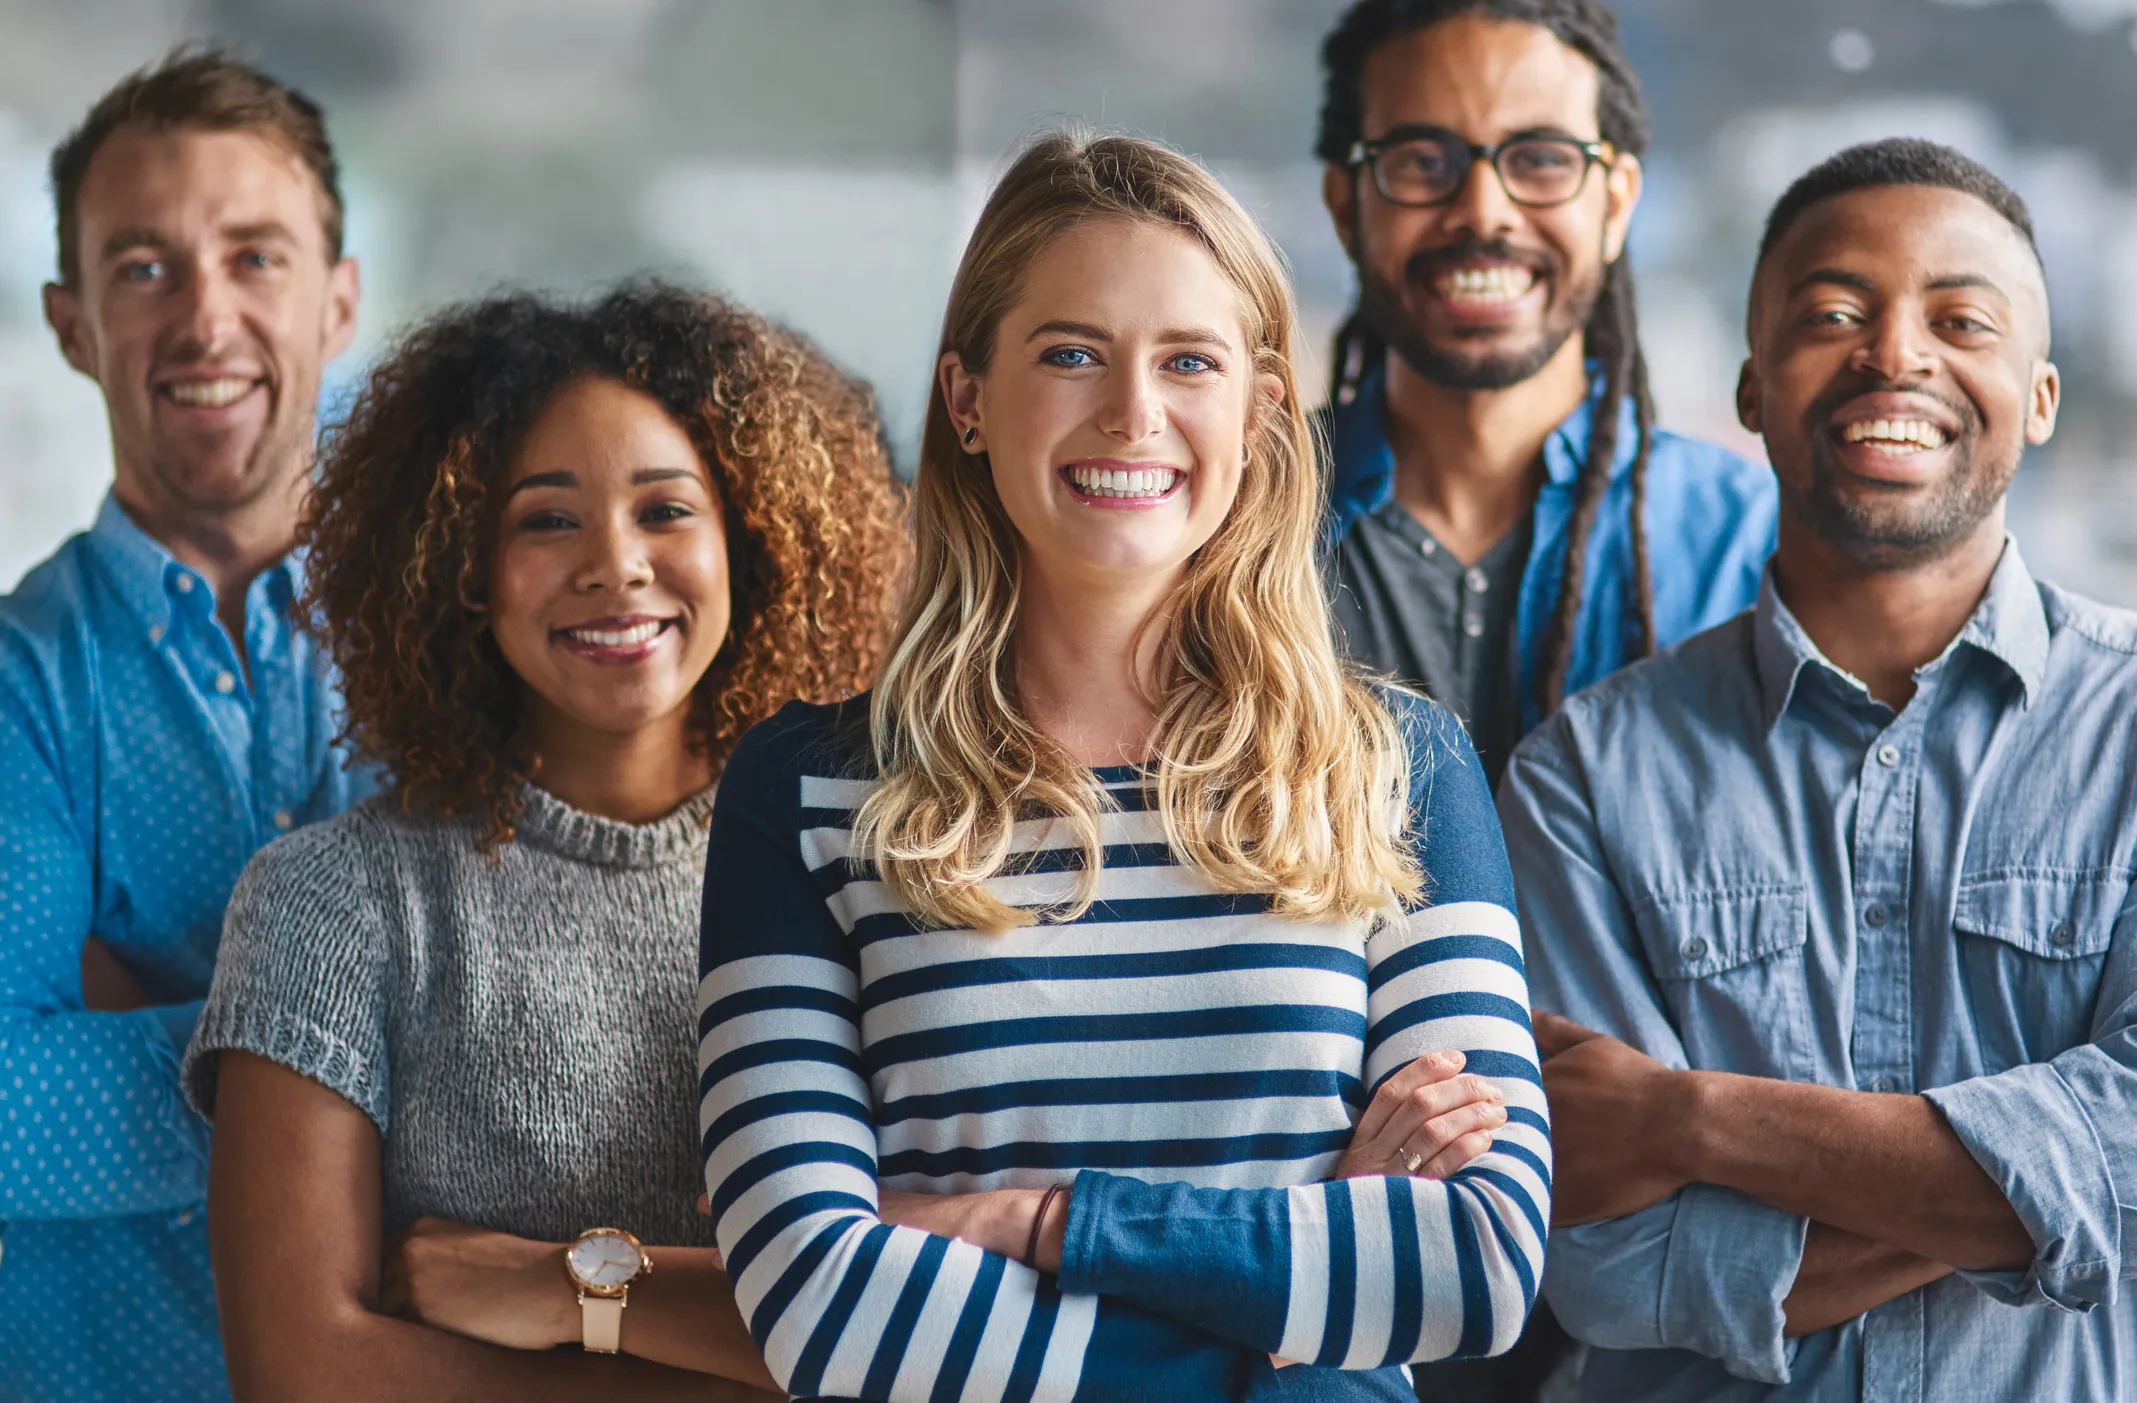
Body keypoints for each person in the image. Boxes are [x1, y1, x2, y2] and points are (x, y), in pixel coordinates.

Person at [683, 132, 1544, 1403]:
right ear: (968, 399)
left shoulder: (1395, 766)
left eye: (1188, 360)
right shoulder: (805, 788)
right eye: (1071, 352)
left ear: (1258, 412)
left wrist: (1036, 1219)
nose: (1133, 412)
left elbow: (1476, 1264)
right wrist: (1294, 1311)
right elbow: (818, 1305)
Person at [178, 282, 908, 1399]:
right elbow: (304, 1368)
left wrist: (568, 1288)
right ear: (460, 569)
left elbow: (931, 1302)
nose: (614, 562)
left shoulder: (866, 864)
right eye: (548, 518)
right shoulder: (327, 900)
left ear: (749, 543)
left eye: (665, 509)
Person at [1508, 138, 2137, 1400]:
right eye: (1834, 313)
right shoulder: (1584, 771)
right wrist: (2046, 1195)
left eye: (1960, 317)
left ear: (2044, 393)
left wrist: (1685, 1119)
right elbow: (1609, 1263)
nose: (1895, 353)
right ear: (1751, 387)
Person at [0, 48, 364, 1401]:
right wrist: (386, 1044)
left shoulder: (482, 638)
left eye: (256, 256)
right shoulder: (15, 682)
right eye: (144, 266)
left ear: (338, 300)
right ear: (72, 322)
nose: (205, 317)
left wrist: (148, 1017)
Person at [1314, 0, 1778, 784]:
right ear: (1343, 205)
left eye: (1540, 159)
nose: (1483, 210)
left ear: (1616, 201)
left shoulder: (1757, 548)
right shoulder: (1231, 522)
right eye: (1422, 160)